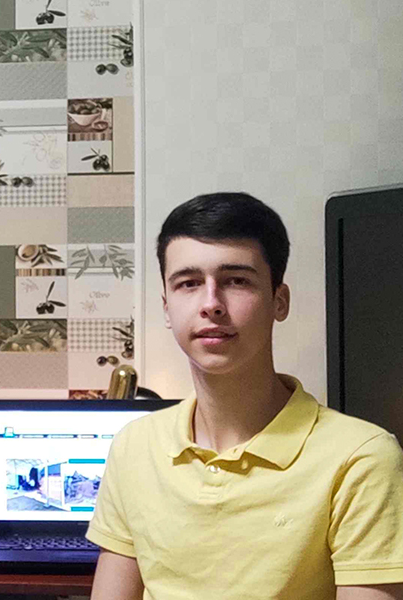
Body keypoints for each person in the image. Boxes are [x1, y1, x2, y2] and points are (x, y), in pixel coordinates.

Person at [87, 193, 403, 600]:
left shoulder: (361, 459)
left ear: (279, 300)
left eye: (237, 280)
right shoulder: (135, 446)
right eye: (189, 283)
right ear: (166, 308)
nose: (211, 304)